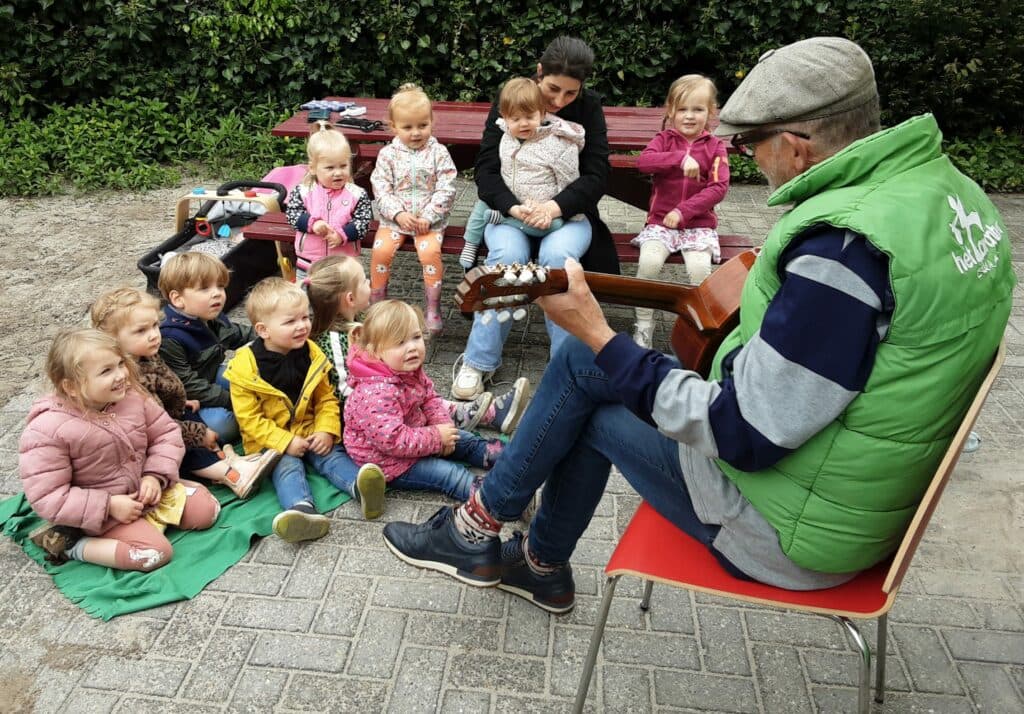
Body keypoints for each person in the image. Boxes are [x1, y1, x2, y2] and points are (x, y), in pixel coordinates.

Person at [380, 37, 1015, 614]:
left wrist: (601, 337)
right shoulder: (947, 195)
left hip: (794, 527)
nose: (747, 160)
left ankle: (480, 532)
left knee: (584, 365)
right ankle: (534, 561)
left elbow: (744, 432)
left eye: (749, 144)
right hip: (856, 485)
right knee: (595, 378)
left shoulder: (843, 252)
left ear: (793, 143)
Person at [452, 36, 618, 400]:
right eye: (553, 89)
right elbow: (486, 169)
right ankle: (478, 361)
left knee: (557, 263)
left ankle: (567, 366)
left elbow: (595, 176)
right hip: (511, 215)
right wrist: (513, 206)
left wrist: (554, 207)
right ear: (539, 72)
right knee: (505, 262)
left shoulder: (589, 109)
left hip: (568, 217)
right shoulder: (512, 98)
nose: (559, 101)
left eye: (570, 94)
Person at [19, 329, 220, 570]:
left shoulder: (132, 397)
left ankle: (151, 519)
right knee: (154, 554)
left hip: (146, 493)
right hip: (100, 514)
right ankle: (70, 544)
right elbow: (48, 495)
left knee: (207, 511)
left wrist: (155, 475)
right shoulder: (48, 429)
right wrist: (109, 505)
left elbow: (166, 433)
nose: (121, 375)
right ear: (71, 387)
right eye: (106, 371)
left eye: (120, 364)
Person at [223, 278, 388, 539]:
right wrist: (285, 441)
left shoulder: (312, 354)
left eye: (305, 317)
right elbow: (249, 420)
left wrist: (325, 430)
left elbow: (326, 399)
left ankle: (363, 487)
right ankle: (302, 511)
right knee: (287, 467)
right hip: (272, 442)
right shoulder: (244, 369)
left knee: (331, 455)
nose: (302, 326)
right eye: (290, 322)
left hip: (310, 429)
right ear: (263, 330)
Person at [306, 255, 532, 435]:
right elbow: (344, 392)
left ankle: (492, 413)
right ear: (350, 299)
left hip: (385, 396)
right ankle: (490, 415)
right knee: (423, 404)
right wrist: (393, 395)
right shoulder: (334, 340)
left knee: (427, 399)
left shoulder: (361, 320)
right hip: (370, 416)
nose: (369, 282)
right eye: (364, 280)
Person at [90, 287, 279, 499]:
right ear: (112, 339)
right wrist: (198, 432)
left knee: (189, 413)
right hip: (145, 444)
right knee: (183, 442)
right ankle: (230, 475)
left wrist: (182, 401)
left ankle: (225, 460)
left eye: (155, 326)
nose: (154, 335)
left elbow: (166, 390)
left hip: (165, 420)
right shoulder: (124, 378)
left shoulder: (145, 355)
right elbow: (151, 429)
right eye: (141, 331)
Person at [344, 300, 505, 504]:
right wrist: (437, 438)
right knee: (449, 475)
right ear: (376, 351)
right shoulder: (375, 393)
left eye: (416, 337)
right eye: (400, 342)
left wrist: (443, 427)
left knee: (465, 439)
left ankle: (512, 460)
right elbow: (393, 440)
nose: (412, 347)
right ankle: (495, 498)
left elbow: (429, 397)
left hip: (418, 435)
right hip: (390, 461)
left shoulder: (405, 368)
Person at [632, 74, 731, 348]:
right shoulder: (664, 140)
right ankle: (643, 326)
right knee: (648, 264)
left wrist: (684, 211)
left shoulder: (716, 147)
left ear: (710, 112)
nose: (689, 116)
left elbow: (719, 187)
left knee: (700, 272)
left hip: (698, 225)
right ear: (670, 110)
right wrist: (678, 158)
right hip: (661, 224)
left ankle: (694, 329)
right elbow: (643, 163)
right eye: (682, 109)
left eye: (698, 109)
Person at [459, 77, 585, 271]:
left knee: (555, 246)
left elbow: (569, 184)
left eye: (529, 117)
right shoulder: (505, 137)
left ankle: (550, 296)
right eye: (516, 119)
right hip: (512, 209)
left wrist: (547, 209)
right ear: (504, 117)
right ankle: (474, 246)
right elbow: (488, 174)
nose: (523, 124)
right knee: (504, 249)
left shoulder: (559, 144)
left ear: (542, 113)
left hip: (548, 213)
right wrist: (511, 207)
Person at [370, 83, 458, 336]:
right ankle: (378, 301)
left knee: (430, 255)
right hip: (395, 221)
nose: (416, 133)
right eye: (407, 127)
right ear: (394, 126)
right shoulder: (388, 155)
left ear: (432, 122)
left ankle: (432, 307)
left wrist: (430, 216)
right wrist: (397, 213)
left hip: (428, 223)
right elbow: (381, 187)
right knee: (381, 252)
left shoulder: (439, 153)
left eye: (423, 125)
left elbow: (448, 186)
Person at [158, 252, 254, 445]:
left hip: (210, 376)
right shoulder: (169, 337)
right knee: (224, 425)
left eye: (220, 286)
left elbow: (237, 334)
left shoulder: (210, 316)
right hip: (183, 401)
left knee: (245, 379)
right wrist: (231, 400)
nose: (217, 293)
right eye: (204, 288)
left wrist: (271, 333)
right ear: (177, 299)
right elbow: (188, 385)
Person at [284, 124, 372, 283]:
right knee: (307, 295)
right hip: (309, 261)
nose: (338, 172)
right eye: (330, 168)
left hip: (344, 261)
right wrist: (313, 223)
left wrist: (342, 234)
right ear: (312, 168)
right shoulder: (303, 191)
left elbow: (363, 223)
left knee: (344, 295)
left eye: (343, 166)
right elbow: (292, 215)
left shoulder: (357, 194)